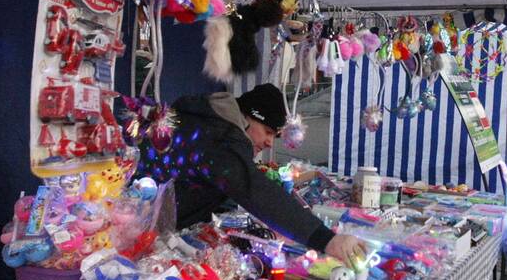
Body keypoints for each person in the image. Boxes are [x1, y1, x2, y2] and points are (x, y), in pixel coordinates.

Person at [139, 83, 365, 267]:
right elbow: (254, 189)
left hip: (154, 228)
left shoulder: (210, 123)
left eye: (274, 136)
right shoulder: (221, 136)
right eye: (267, 131)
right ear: (248, 117)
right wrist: (326, 239)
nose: (269, 143)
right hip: (143, 237)